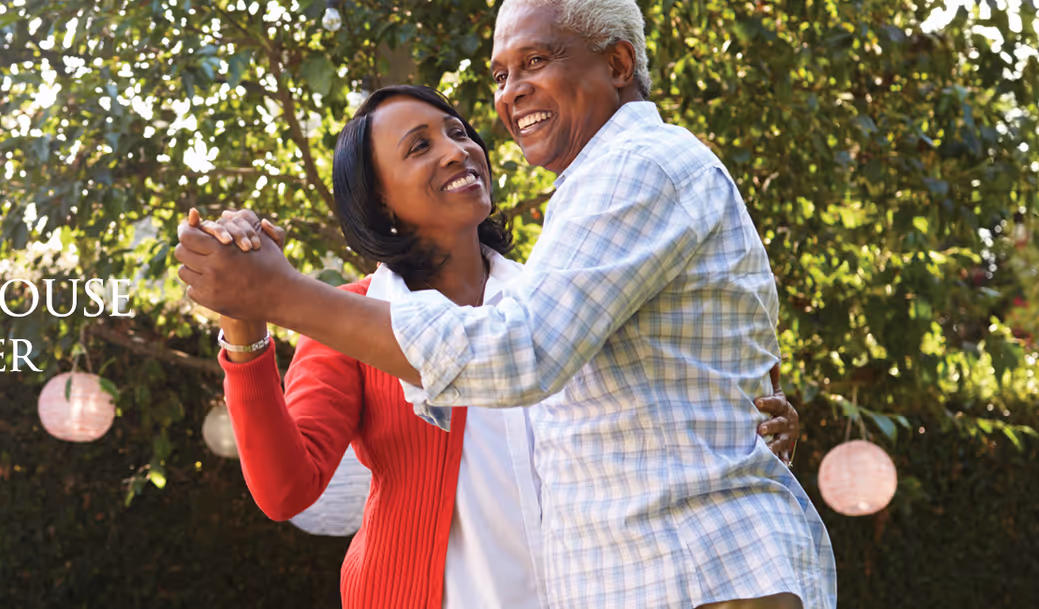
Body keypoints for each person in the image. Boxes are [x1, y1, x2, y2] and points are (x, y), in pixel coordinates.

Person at [173, 1, 836, 608]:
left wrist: (748, 420)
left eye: (458, 131)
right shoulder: (353, 318)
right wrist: (247, 318)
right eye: (419, 146)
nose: (461, 147)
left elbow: (538, 356)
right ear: (381, 206)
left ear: (619, 63)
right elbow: (286, 486)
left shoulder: (553, 283)